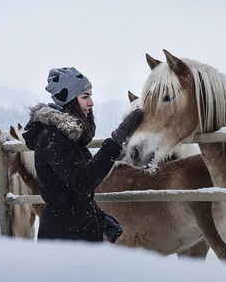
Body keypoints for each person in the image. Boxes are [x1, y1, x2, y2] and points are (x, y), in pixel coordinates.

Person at [22, 67, 143, 242]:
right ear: (70, 100)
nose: (91, 102)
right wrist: (116, 140)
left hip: (77, 230)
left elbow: (74, 195)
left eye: (90, 96)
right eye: (85, 96)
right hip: (63, 237)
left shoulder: (69, 137)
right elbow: (82, 182)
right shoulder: (53, 136)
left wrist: (100, 219)